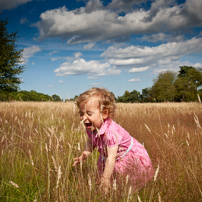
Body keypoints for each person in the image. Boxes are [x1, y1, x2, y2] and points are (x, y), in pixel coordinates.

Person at [73, 87, 154, 193]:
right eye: (81, 114)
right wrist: (83, 155)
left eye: (89, 113)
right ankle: (107, 191)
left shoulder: (111, 133)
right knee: (109, 177)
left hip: (124, 155)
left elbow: (111, 158)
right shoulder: (91, 127)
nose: (84, 118)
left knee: (126, 182)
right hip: (109, 156)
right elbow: (90, 142)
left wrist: (105, 179)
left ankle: (125, 193)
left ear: (104, 114)